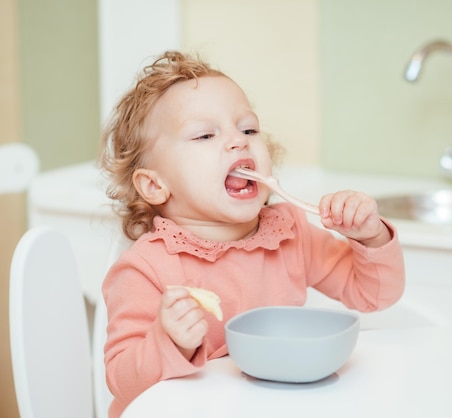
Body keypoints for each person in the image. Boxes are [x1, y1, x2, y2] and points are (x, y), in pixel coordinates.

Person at [99, 50, 405, 417]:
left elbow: (375, 295)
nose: (238, 141)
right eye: (205, 135)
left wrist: (370, 238)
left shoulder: (289, 232)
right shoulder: (146, 268)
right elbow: (120, 380)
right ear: (154, 185)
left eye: (248, 129)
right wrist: (167, 342)